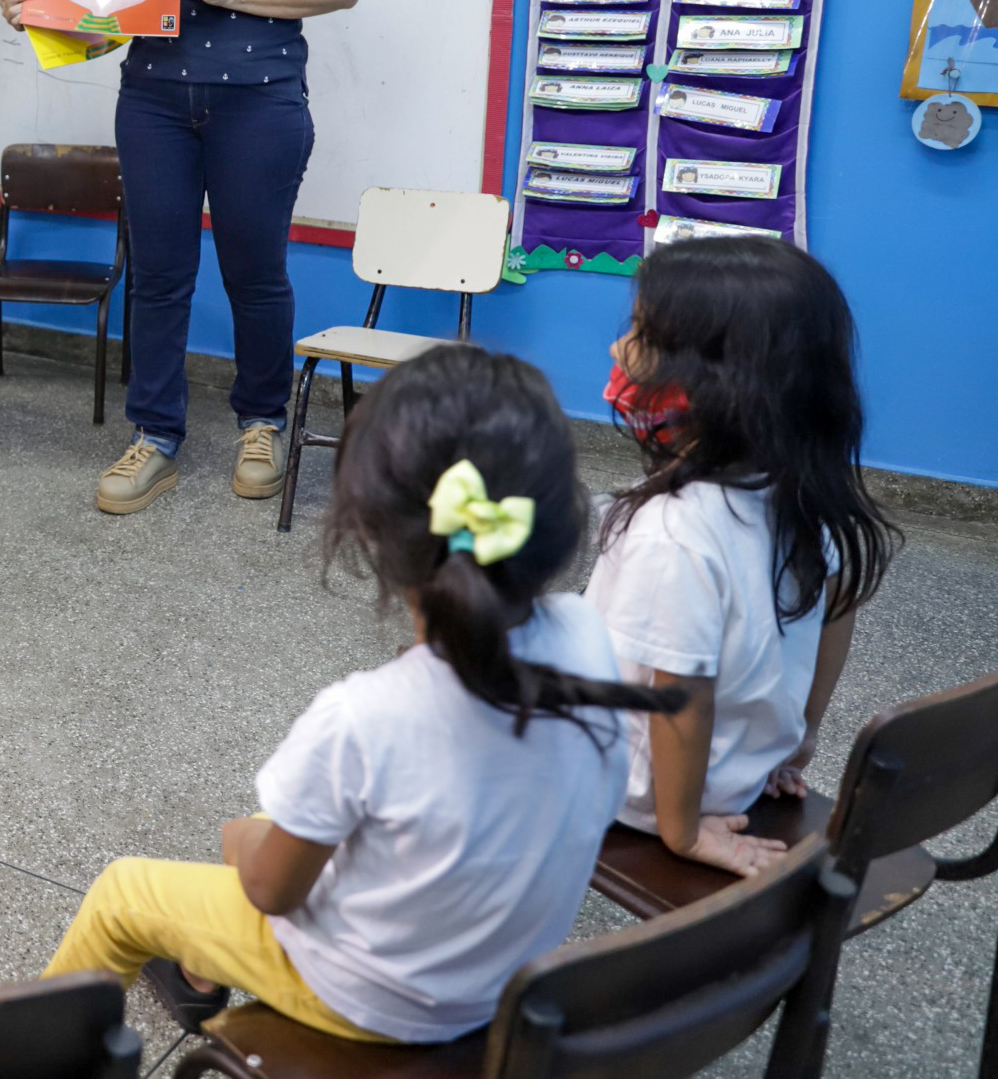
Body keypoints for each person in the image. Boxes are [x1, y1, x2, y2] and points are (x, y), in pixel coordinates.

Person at [45, 345, 682, 1044]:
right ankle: (201, 972)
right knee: (291, 808)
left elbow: (269, 890)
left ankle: (32, 1058)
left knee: (125, 892)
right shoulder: (588, 634)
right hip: (500, 973)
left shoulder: (364, 716)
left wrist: (243, 842)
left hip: (374, 999)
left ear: (373, 531)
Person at [4, 0, 362, 512]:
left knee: (254, 274)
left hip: (259, 99)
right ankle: (155, 434)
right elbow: (116, 5)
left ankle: (263, 420)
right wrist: (46, 10)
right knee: (159, 275)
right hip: (156, 98)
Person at [587, 238, 900, 877]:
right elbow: (837, 611)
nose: (620, 350)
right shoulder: (805, 490)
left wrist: (682, 833)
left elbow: (685, 695)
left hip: (647, 791)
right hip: (749, 763)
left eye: (642, 334)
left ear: (714, 380)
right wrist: (799, 741)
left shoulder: (672, 533)